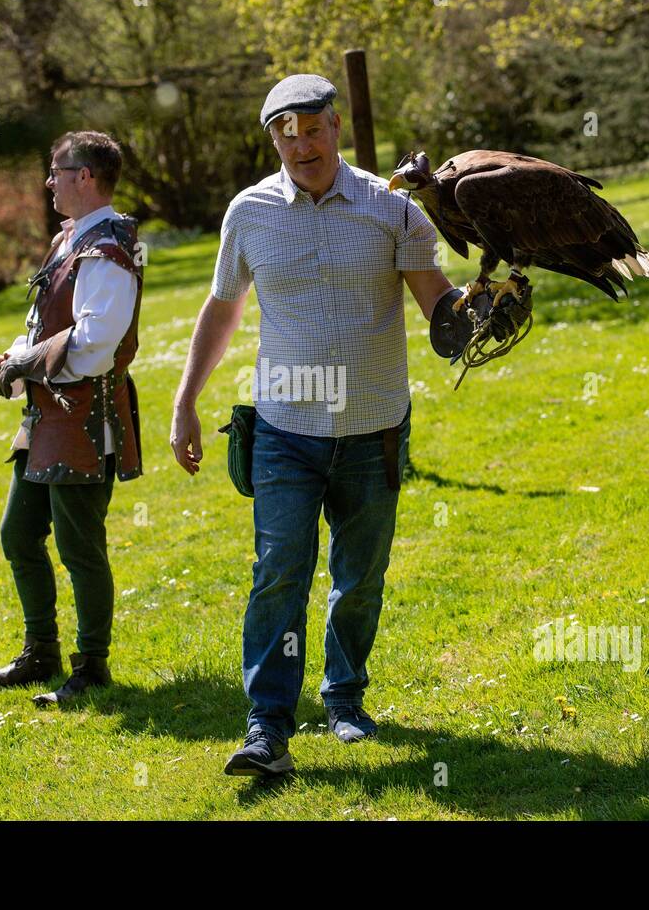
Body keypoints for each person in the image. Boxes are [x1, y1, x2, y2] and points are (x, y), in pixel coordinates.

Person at [170, 75, 458, 776]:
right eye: (284, 133)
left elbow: (439, 309)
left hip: (373, 427)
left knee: (359, 578)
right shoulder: (250, 212)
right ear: (273, 140)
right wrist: (185, 401)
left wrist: (480, 313)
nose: (301, 144)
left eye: (311, 127)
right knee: (279, 575)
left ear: (336, 126)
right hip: (284, 430)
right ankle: (267, 728)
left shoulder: (393, 208)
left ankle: (344, 700)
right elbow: (223, 308)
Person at [0, 130, 144, 708]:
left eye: (56, 171)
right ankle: (40, 651)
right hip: (46, 416)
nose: (48, 182)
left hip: (84, 418)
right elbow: (47, 327)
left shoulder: (109, 248)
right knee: (18, 535)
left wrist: (22, 363)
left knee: (80, 548)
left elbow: (96, 343)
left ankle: (91, 667)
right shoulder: (71, 241)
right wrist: (12, 355)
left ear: (85, 176)